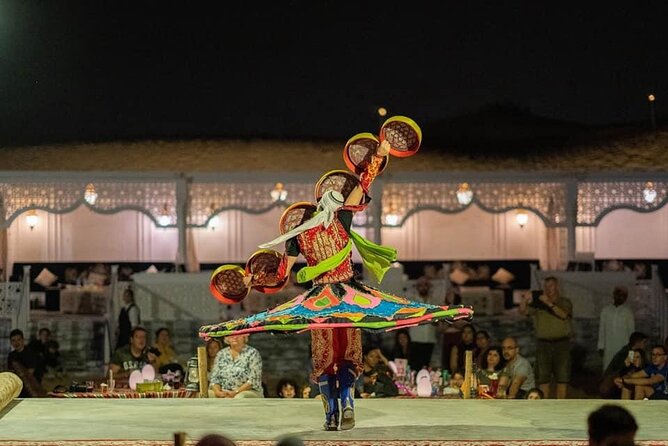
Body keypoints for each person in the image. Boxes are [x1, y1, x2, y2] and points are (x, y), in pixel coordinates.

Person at [200, 124, 473, 431]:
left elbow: (279, 277)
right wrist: (378, 156)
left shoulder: (302, 235)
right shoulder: (335, 220)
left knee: (328, 361)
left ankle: (335, 411)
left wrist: (253, 281)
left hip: (322, 301)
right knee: (343, 359)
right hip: (346, 298)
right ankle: (342, 407)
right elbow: (361, 187)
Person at [520, 276, 573, 399]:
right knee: (543, 378)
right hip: (543, 344)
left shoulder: (564, 301)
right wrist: (524, 299)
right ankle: (544, 405)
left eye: (551, 286)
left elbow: (564, 314)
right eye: (546, 286)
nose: (548, 289)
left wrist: (548, 303)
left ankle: (561, 406)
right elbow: (523, 311)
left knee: (562, 377)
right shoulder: (538, 304)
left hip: (561, 344)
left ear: (557, 287)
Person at [209, 334, 263, 398]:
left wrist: (235, 392)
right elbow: (215, 379)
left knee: (239, 397)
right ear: (227, 338)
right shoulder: (221, 354)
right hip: (224, 391)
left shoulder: (253, 353)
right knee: (208, 394)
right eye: (231, 335)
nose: (234, 337)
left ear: (244, 337)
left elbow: (253, 380)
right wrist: (218, 392)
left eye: (238, 335)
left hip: (248, 391)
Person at [598, 286, 635, 371]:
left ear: (626, 298)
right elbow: (602, 330)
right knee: (607, 369)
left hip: (623, 347)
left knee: (622, 370)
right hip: (608, 346)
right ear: (614, 295)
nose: (620, 297)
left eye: (623, 295)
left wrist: (631, 353)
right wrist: (600, 346)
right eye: (618, 294)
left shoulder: (628, 312)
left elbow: (632, 333)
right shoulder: (605, 311)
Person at [409, 276, 438, 370]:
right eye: (420, 285)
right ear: (417, 287)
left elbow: (437, 321)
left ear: (429, 287)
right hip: (415, 339)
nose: (423, 287)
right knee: (414, 367)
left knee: (427, 368)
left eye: (426, 285)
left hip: (430, 339)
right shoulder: (411, 301)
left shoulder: (434, 302)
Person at [7, 329, 44, 397]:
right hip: (18, 388)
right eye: (13, 340)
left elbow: (30, 373)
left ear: (23, 340)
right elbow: (10, 372)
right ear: (11, 342)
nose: (16, 342)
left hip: (31, 389)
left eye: (19, 340)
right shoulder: (11, 355)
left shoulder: (31, 353)